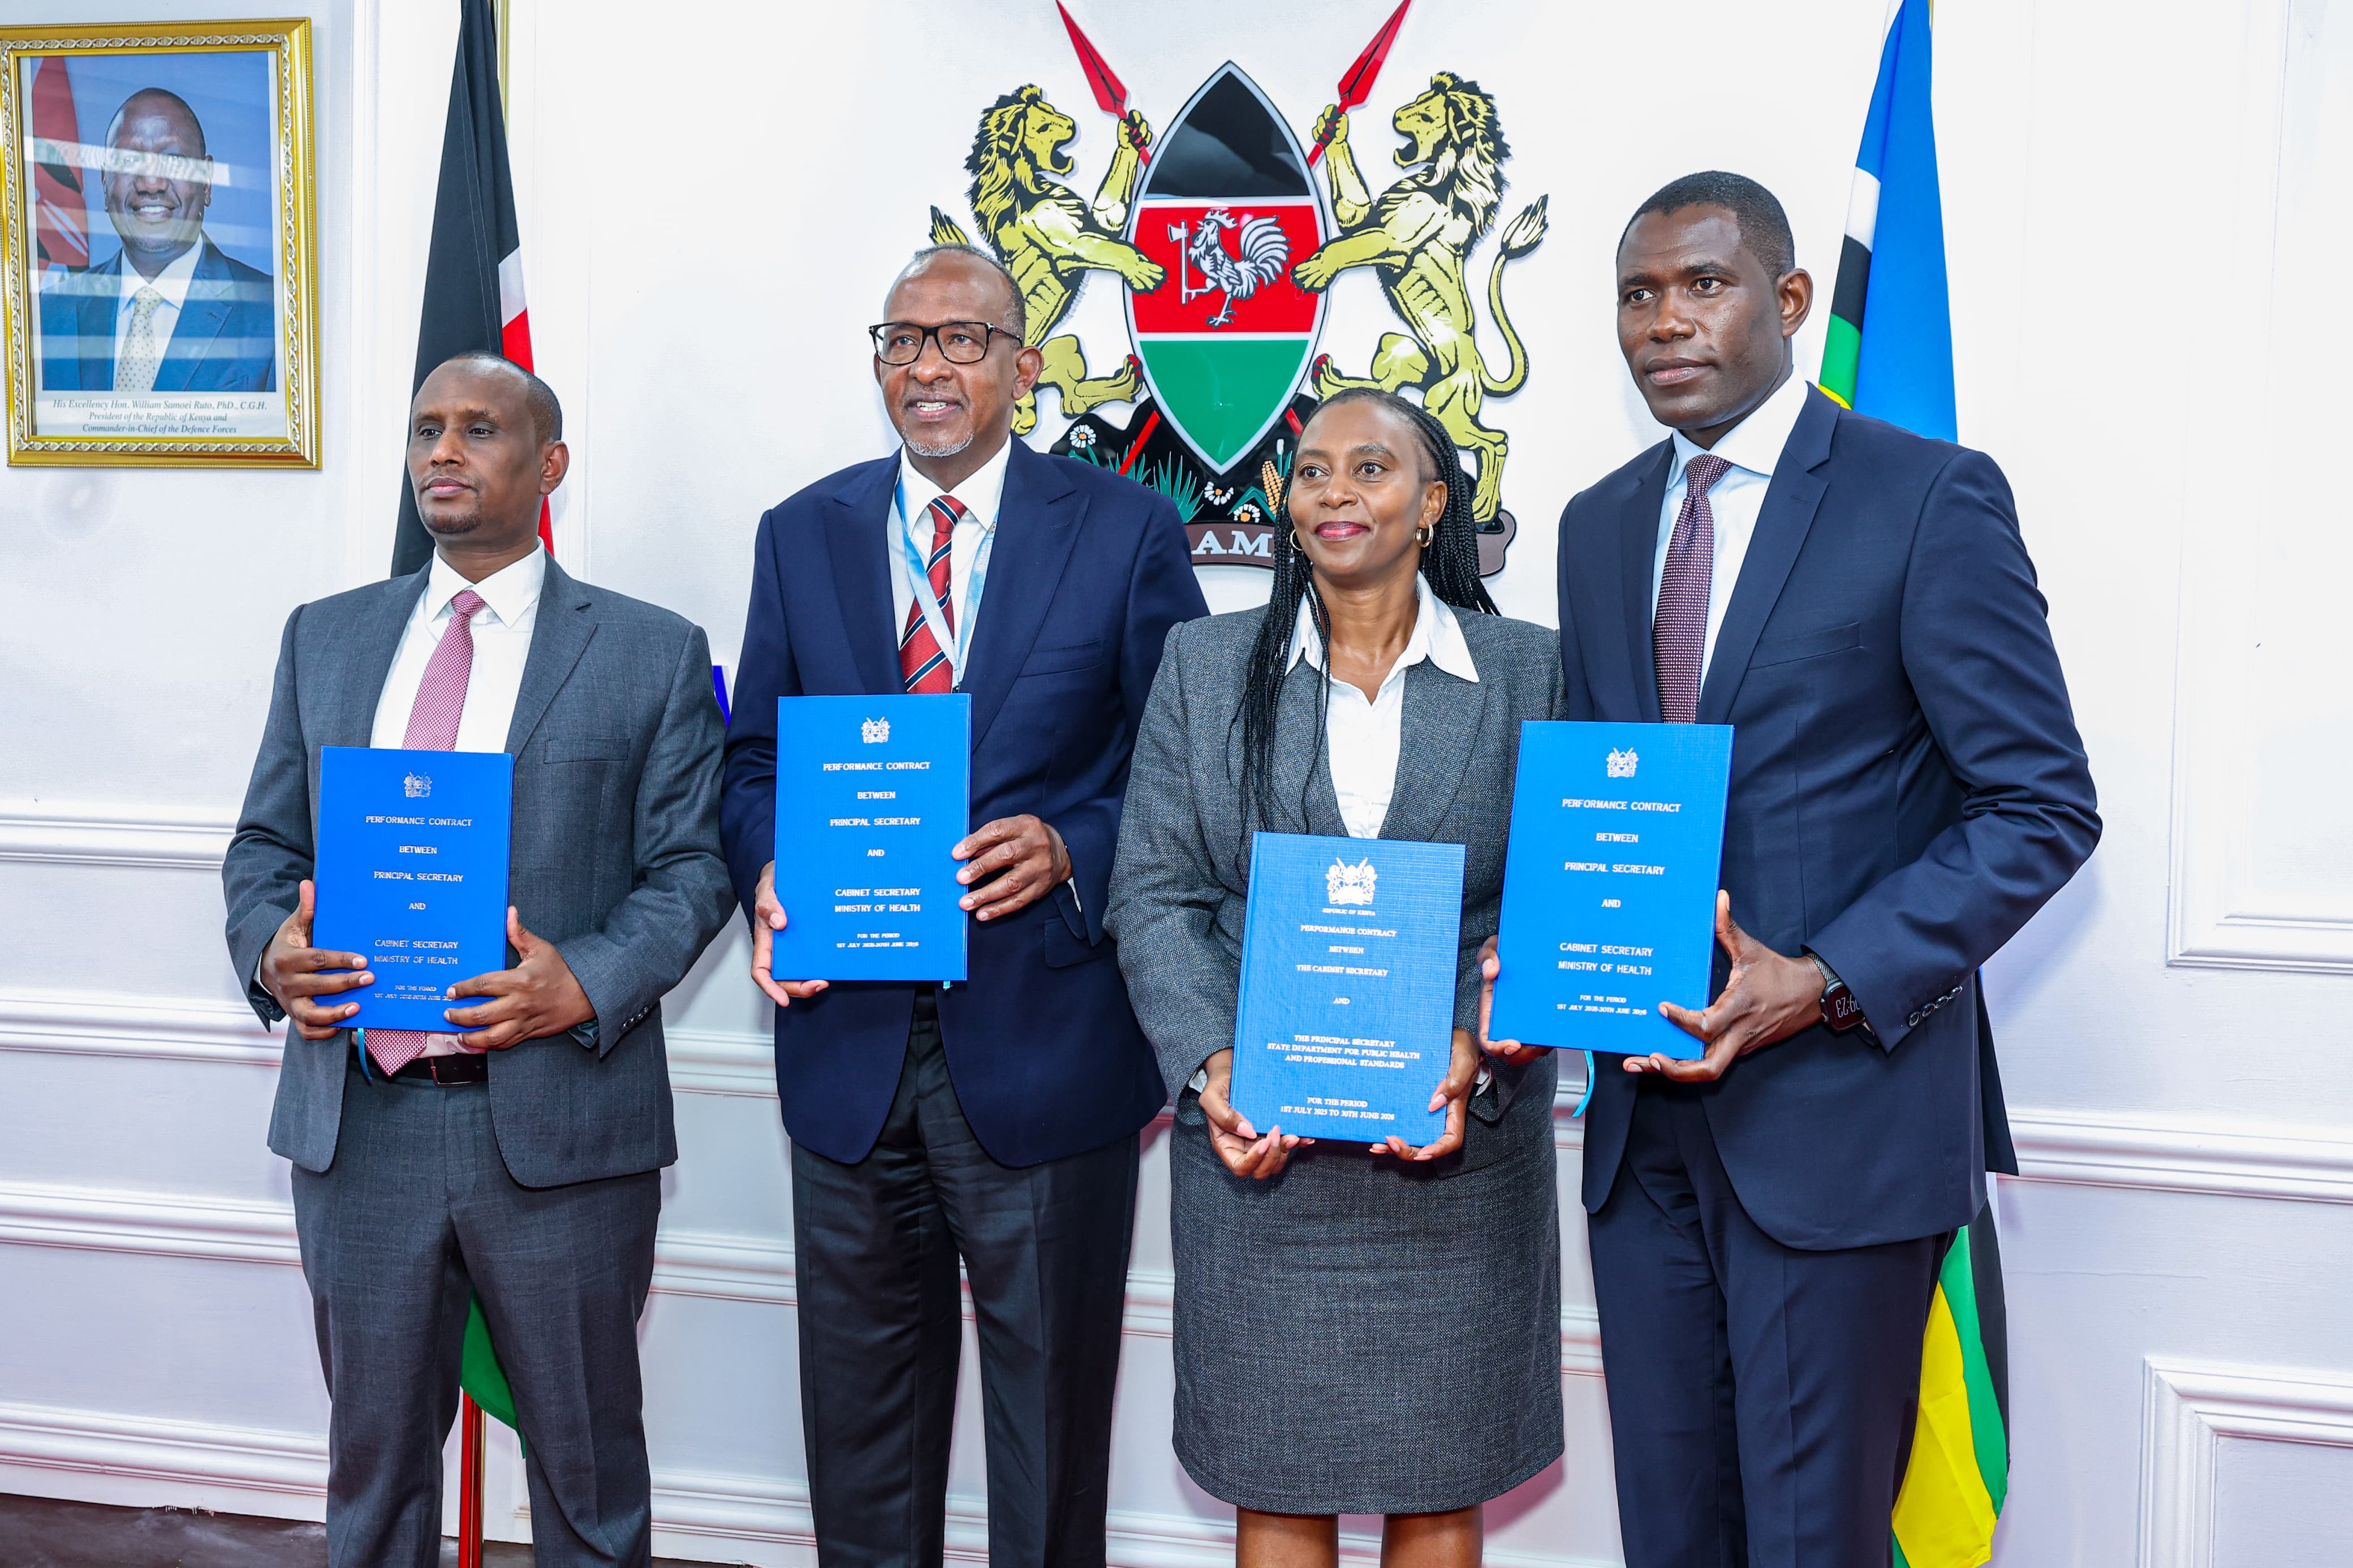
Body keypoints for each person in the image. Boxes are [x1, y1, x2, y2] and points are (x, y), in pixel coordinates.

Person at [1480, 171, 2099, 1568]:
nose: (1663, 323)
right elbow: (1608, 790)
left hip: (1837, 1127)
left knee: (1814, 1543)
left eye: (1702, 286)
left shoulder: (1924, 497)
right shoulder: (1595, 523)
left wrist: (1820, 981)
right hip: (1641, 1136)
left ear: (1790, 302)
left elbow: (2040, 804)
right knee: (1672, 1536)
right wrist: (1546, 936)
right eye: (1637, 296)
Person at [718, 244, 1207, 1567]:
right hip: (848, 1048)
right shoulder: (801, 531)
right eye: (904, 340)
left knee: (1046, 1437)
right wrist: (766, 869)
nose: (929, 366)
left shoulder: (1123, 530)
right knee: (860, 1433)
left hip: (1046, 1047)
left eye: (962, 340)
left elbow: (1184, 768)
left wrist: (1067, 845)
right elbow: (752, 758)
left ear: (1025, 367)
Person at [221, 352, 734, 1568]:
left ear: (547, 465)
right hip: (362, 1123)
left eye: (479, 431)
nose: (443, 452)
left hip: (557, 1130)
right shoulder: (328, 639)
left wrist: (588, 980)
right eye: (426, 430)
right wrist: (272, 955)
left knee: (587, 1481)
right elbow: (261, 846)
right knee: (374, 1480)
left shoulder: (649, 651)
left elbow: (694, 872)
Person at [1105, 388, 1565, 1568]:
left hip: (1454, 1150)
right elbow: (1152, 893)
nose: (1336, 493)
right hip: (1262, 1152)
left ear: (1433, 504)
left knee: (1437, 1483)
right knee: (1277, 1476)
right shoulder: (1204, 667)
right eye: (1311, 471)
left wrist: (1479, 1043)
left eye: (1372, 468)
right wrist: (1214, 1066)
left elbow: (1555, 911)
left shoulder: (1531, 672)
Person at [38, 87, 276, 394]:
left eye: (174, 160)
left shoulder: (273, 314)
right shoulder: (50, 313)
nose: (151, 183)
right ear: (105, 182)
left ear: (206, 182)